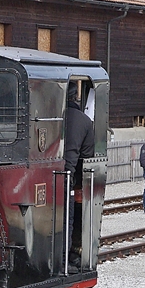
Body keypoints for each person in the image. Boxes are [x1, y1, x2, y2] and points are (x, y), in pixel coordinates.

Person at [63, 85, 96, 259]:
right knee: (67, 219)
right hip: (66, 175)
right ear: (75, 97)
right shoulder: (84, 121)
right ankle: (64, 256)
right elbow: (87, 154)